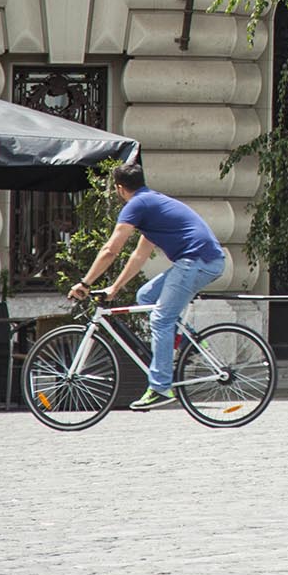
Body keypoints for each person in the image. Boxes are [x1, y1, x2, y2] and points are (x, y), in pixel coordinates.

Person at [71, 163, 227, 411]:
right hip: (200, 261)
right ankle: (188, 341)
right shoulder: (151, 205)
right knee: (146, 295)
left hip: (198, 262)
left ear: (120, 189)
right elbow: (138, 256)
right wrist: (114, 288)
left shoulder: (137, 205)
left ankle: (160, 388)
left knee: (161, 320)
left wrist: (85, 283)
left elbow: (111, 249)